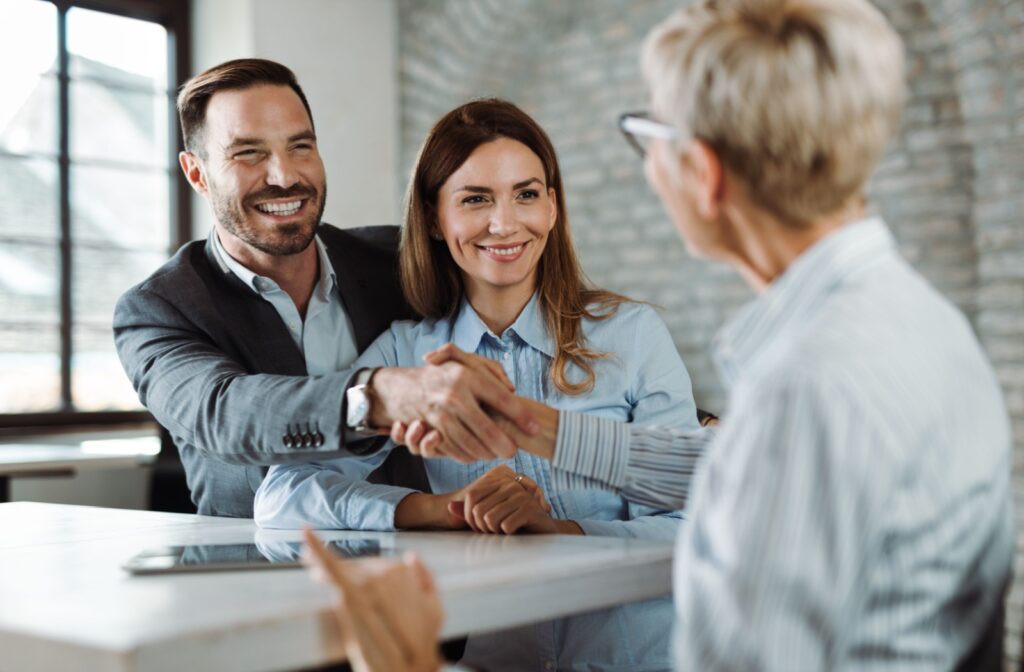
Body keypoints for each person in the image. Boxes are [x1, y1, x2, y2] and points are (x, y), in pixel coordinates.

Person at [309, 0, 1014, 670]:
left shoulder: (808, 385)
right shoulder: (908, 321)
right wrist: (536, 427)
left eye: (649, 135)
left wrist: (414, 668)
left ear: (702, 174)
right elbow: (725, 471)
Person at [257, 98, 701, 671]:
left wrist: (564, 530)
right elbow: (281, 498)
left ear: (554, 206)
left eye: (526, 193)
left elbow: (700, 525)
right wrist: (442, 510)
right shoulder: (406, 353)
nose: (505, 223)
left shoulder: (632, 335)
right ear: (436, 220)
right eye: (475, 199)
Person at [112, 59, 538, 517]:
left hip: (427, 554)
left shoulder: (398, 259)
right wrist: (377, 396)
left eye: (301, 147)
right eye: (248, 153)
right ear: (197, 173)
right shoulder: (157, 308)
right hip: (257, 570)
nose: (284, 175)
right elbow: (224, 414)